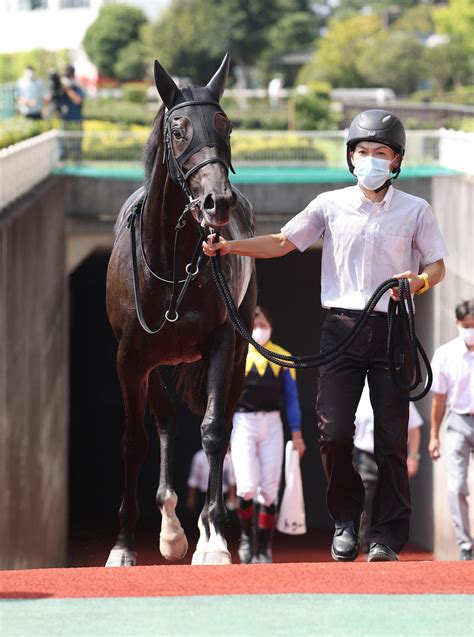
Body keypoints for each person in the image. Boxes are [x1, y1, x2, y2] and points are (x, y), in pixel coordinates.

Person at [203, 109, 446, 562]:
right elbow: (281, 242)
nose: (370, 159)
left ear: (396, 162)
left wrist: (417, 283)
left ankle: (386, 537)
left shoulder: (417, 209)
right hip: (341, 328)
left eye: (380, 153)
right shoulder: (329, 204)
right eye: (362, 151)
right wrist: (228, 246)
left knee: (391, 439)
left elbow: (437, 266)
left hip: (393, 328)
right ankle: (345, 522)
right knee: (334, 433)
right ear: (350, 157)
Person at [231, 306, 306, 564]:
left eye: (260, 315)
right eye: (250, 318)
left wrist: (297, 434)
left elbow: (292, 398)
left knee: (270, 491)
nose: (256, 320)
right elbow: (226, 398)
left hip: (273, 423)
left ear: (269, 320)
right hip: (243, 423)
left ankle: (263, 547)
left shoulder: (283, 356)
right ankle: (245, 539)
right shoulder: (236, 354)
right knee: (247, 487)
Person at [353, 380, 423, 554]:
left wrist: (413, 456)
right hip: (365, 454)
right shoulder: (357, 395)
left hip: (390, 454)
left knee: (389, 496)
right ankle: (366, 536)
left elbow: (414, 428)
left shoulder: (397, 390)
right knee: (367, 496)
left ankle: (384, 539)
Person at [429, 300, 474, 560]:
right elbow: (439, 399)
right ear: (457, 324)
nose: (469, 330)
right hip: (457, 421)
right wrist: (434, 436)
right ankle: (465, 547)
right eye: (465, 326)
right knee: (456, 485)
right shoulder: (445, 354)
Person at [47, 65, 85, 161]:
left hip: (76, 121)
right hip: (65, 121)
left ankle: (77, 161)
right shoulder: (61, 91)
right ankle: (63, 160)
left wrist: (68, 88)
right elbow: (49, 101)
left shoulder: (77, 89)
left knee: (76, 145)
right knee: (62, 144)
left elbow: (78, 101)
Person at [186, 448, 236, 519]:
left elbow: (231, 479)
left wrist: (232, 497)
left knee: (221, 521)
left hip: (222, 496)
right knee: (204, 520)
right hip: (204, 496)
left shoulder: (227, 457)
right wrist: (191, 499)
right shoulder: (199, 457)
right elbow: (193, 480)